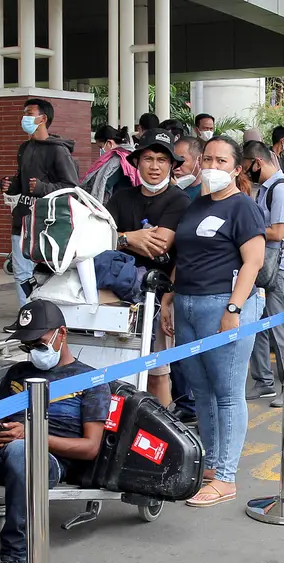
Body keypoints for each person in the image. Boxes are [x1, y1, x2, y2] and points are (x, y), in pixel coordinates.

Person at [160, 136, 264, 508]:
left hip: (223, 304)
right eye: (207, 159)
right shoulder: (195, 204)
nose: (212, 167)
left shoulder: (243, 208)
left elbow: (253, 261)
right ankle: (213, 463)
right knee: (201, 391)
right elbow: (183, 253)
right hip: (187, 302)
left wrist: (234, 311)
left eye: (222, 161)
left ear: (237, 169)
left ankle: (227, 476)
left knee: (228, 394)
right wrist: (170, 295)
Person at [0, 300, 106, 563]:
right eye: (26, 345)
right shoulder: (17, 372)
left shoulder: (90, 381)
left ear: (61, 334)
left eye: (38, 343)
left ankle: (17, 559)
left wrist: (33, 435)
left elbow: (90, 448)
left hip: (47, 459)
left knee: (20, 454)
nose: (31, 351)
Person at [105, 129, 190, 407]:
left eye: (162, 160)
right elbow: (100, 239)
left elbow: (159, 246)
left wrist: (121, 238)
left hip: (159, 296)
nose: (154, 166)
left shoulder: (179, 200)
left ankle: (164, 437)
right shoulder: (120, 197)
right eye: (148, 158)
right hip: (118, 293)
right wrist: (131, 238)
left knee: (156, 371)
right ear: (137, 162)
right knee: (117, 367)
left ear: (172, 165)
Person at [2, 98, 79, 307]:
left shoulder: (58, 150)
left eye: (29, 113)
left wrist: (42, 188)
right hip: (23, 219)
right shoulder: (24, 148)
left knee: (43, 274)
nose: (24, 118)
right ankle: (25, 316)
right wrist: (12, 185)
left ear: (42, 118)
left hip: (46, 223)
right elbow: (23, 181)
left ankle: (43, 316)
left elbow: (71, 186)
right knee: (21, 273)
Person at [243, 141, 284, 408]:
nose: (245, 172)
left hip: (281, 270)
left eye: (246, 166)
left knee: (281, 332)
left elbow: (278, 232)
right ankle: (263, 382)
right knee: (258, 329)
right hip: (265, 268)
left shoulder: (281, 190)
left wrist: (246, 229)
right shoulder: (265, 189)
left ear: (258, 162)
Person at [83, 125, 136, 204]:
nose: (101, 150)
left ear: (109, 143)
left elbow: (104, 184)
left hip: (118, 204)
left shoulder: (117, 159)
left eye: (101, 147)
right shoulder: (130, 154)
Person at [174, 135, 204, 200]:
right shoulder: (168, 190)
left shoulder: (209, 193)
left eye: (181, 161)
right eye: (173, 160)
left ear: (199, 160)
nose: (176, 167)